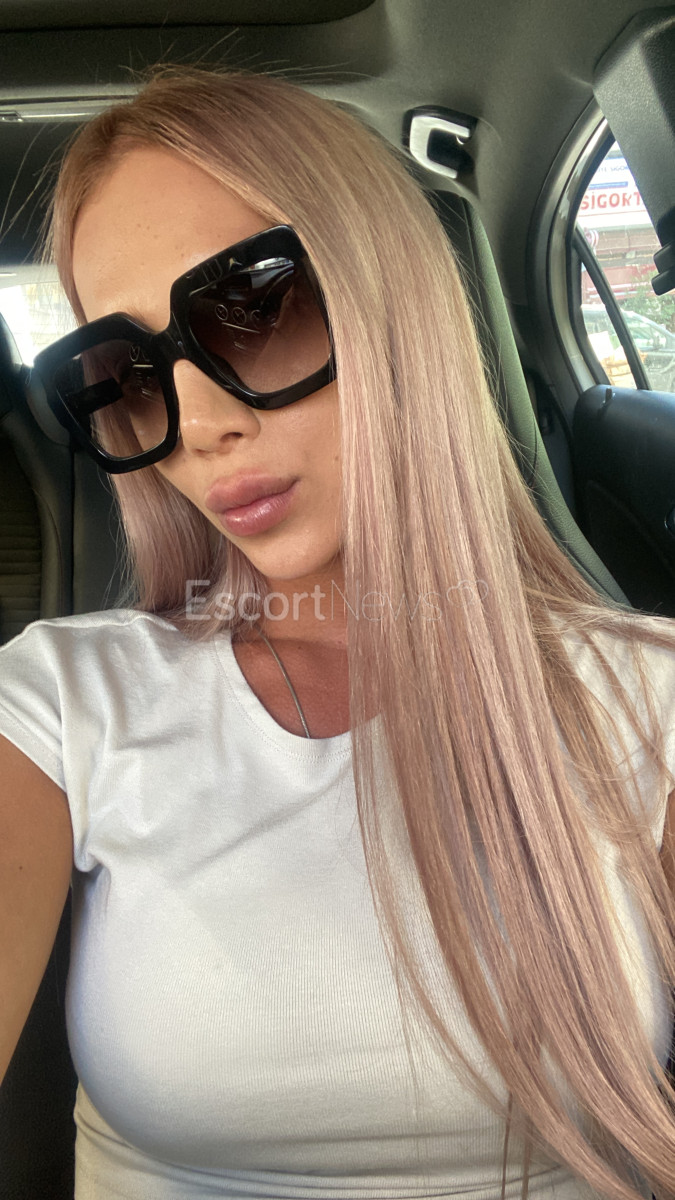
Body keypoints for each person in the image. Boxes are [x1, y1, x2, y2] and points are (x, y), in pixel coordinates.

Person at [0, 64, 673, 1200]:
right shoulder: (60, 702)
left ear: (395, 298)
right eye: (124, 373)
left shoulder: (647, 695)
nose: (198, 427)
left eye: (253, 307)